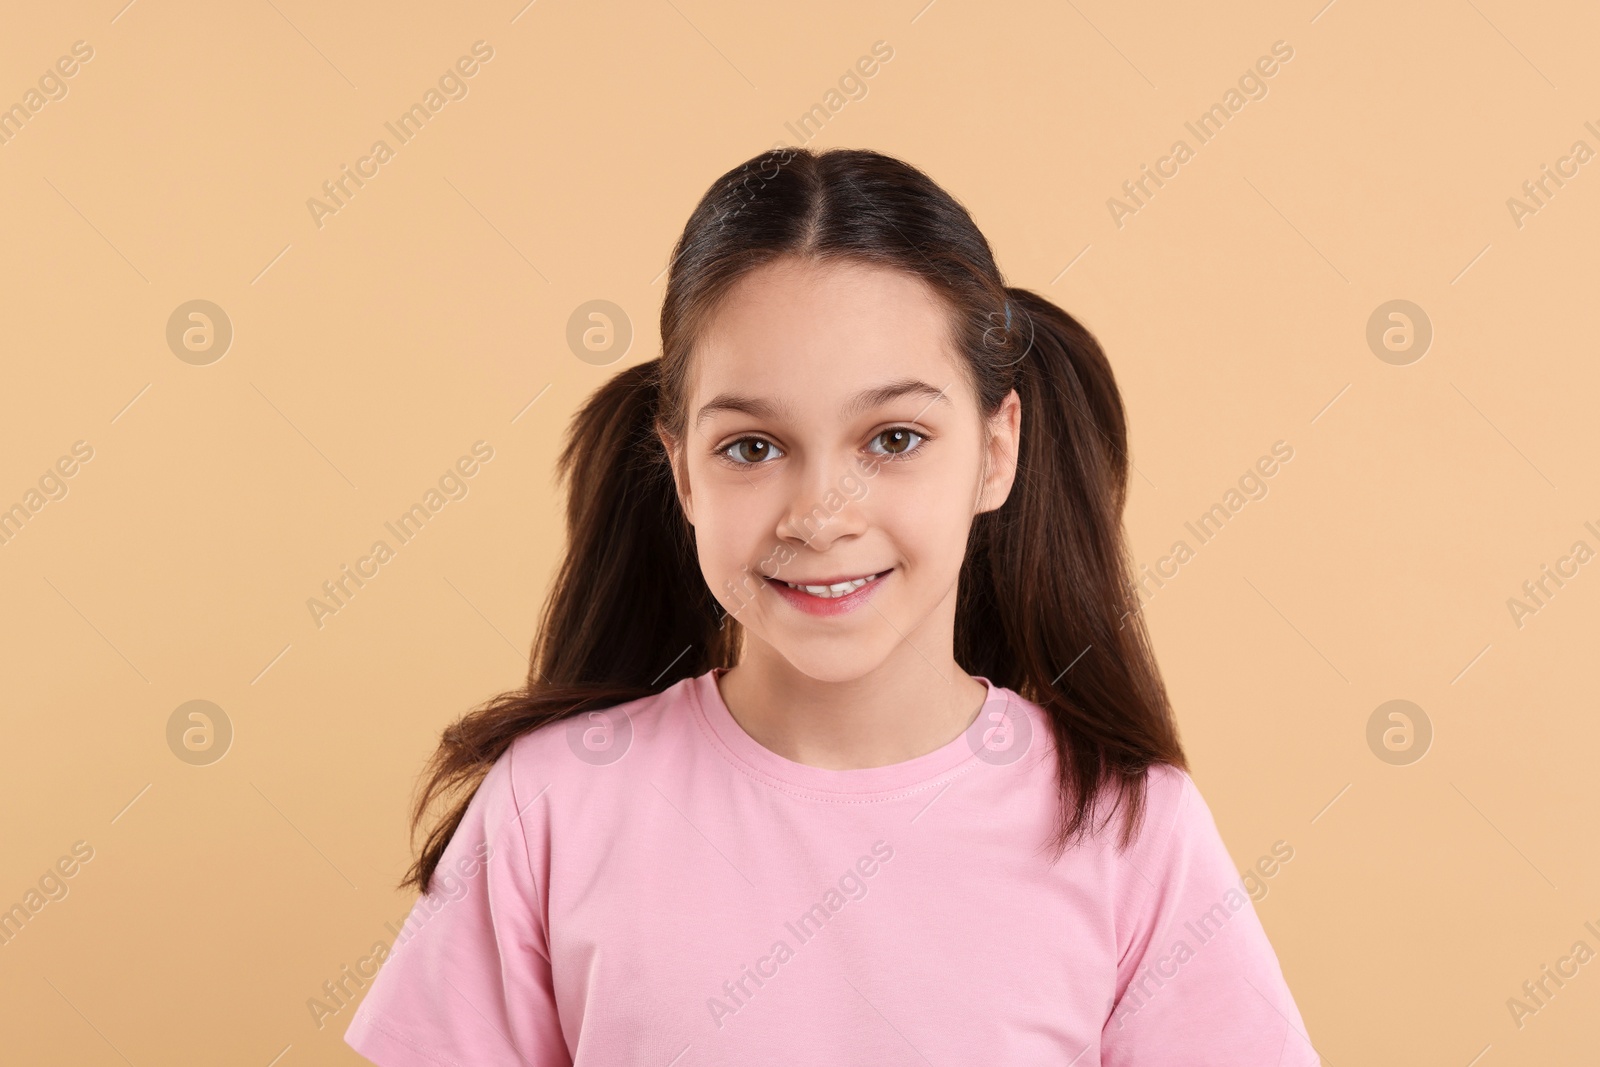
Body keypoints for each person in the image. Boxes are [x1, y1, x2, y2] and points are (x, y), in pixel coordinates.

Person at [344, 146, 1320, 1065]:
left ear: (994, 448)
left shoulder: (1126, 822)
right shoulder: (552, 803)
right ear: (681, 469)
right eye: (753, 447)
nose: (819, 515)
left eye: (892, 438)